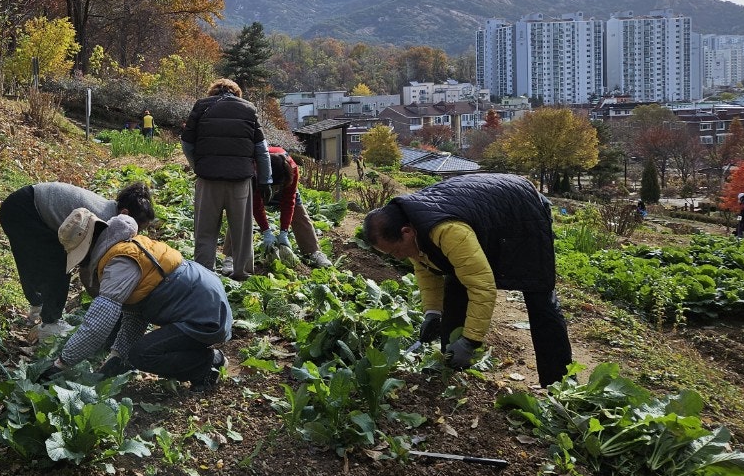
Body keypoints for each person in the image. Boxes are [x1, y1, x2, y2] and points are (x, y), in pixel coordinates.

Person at [363, 173, 573, 387]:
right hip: (483, 212)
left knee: (540, 298)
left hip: (522, 212)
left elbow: (482, 287)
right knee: (456, 287)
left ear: (406, 232)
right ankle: (452, 368)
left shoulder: (447, 230)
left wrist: (471, 341)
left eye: (396, 251)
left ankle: (559, 383)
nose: (398, 257)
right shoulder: (411, 224)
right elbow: (425, 267)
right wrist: (432, 312)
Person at [37, 208, 231, 389]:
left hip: (205, 316)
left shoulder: (118, 263)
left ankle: (208, 364)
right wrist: (117, 356)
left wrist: (61, 363)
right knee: (137, 352)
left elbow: (96, 326)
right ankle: (202, 360)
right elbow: (136, 315)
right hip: (208, 304)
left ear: (88, 245)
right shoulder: (124, 248)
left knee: (143, 355)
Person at [0, 181, 156, 340]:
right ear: (125, 213)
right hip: (26, 209)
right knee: (59, 264)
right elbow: (86, 271)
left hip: (19, 204)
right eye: (139, 229)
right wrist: (106, 305)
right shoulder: (106, 224)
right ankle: (50, 324)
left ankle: (38, 307)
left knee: (32, 260)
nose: (136, 235)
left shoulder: (111, 211)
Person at [181, 78, 271, 280]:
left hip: (208, 180)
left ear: (212, 92)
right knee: (242, 232)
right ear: (237, 93)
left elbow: (187, 144)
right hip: (240, 181)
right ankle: (242, 274)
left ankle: (205, 276)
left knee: (205, 232)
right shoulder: (248, 109)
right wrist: (265, 181)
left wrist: (198, 166)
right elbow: (262, 150)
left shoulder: (201, 106)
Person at [225, 144, 333, 269]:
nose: (275, 191)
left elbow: (289, 201)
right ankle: (231, 257)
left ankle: (314, 252)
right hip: (259, 185)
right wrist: (266, 231)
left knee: (299, 212)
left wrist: (284, 232)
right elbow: (256, 205)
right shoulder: (254, 169)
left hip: (281, 183)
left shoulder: (292, 168)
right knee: (241, 212)